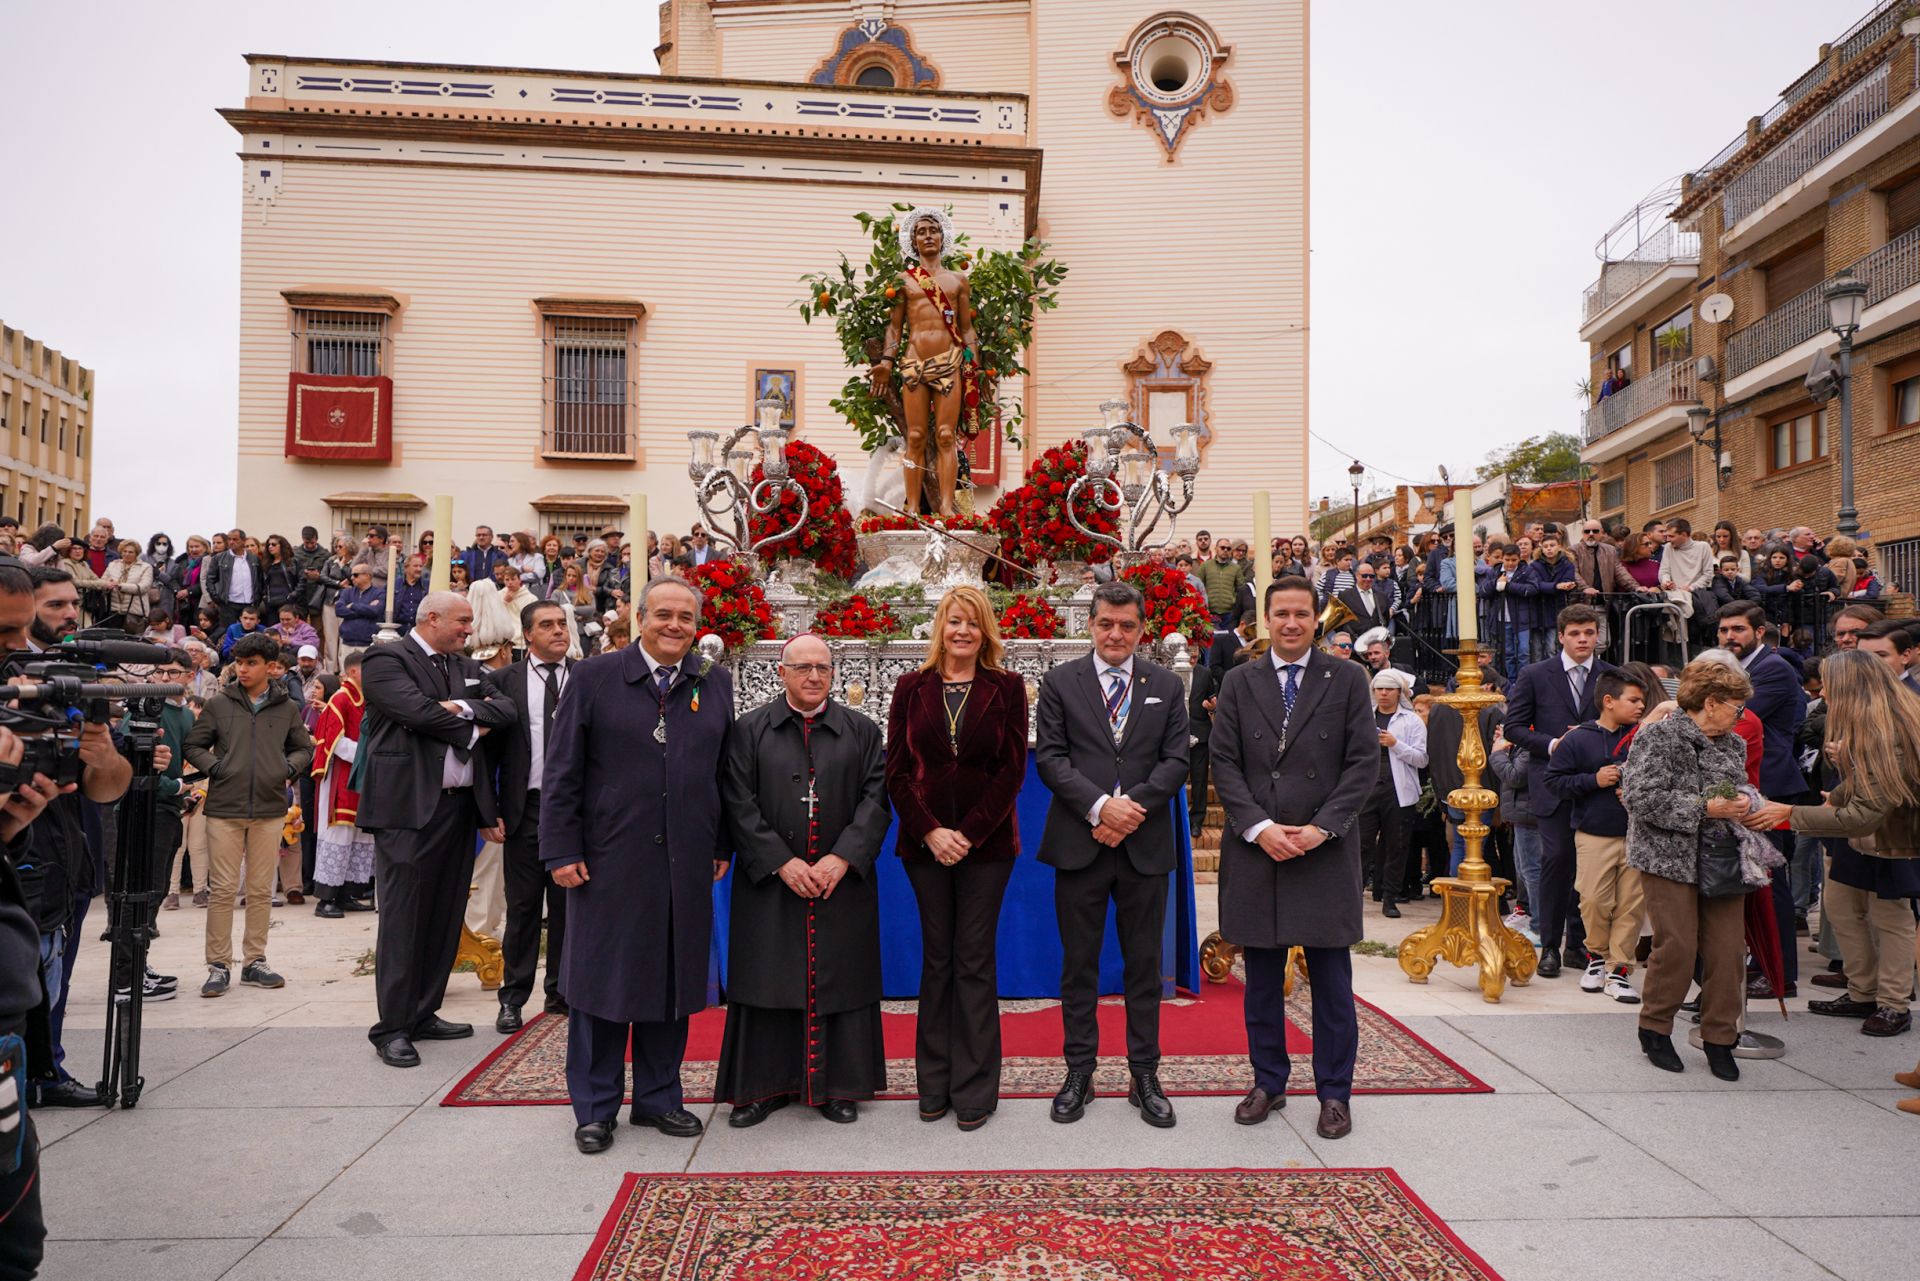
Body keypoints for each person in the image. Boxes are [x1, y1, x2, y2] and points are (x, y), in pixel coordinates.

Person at [541, 576, 734, 1154]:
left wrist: (720, 843)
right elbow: (562, 770)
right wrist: (561, 849)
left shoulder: (713, 681)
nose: (674, 625)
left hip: (686, 860)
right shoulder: (595, 677)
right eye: (663, 615)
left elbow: (724, 773)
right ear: (640, 619)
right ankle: (596, 1108)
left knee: (671, 982)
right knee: (602, 985)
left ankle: (659, 1098)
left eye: (685, 616)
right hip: (606, 861)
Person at [1212, 576, 1377, 1140]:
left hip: (1322, 851)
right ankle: (1268, 1082)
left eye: (1301, 614)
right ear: (1266, 619)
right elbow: (1224, 764)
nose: (1290, 623)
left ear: (1316, 620)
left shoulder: (1349, 677)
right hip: (1258, 849)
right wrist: (1259, 828)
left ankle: (1335, 1093)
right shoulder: (1238, 681)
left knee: (1332, 983)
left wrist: (1319, 830)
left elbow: (1361, 765)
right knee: (1260, 981)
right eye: (1280, 613)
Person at [1033, 581, 1191, 1129]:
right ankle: (1079, 1072)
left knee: (1144, 966)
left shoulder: (1167, 685)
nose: (1115, 634)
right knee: (1079, 965)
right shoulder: (1059, 682)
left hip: (1144, 847)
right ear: (1091, 624)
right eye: (1106, 624)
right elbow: (1051, 759)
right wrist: (1101, 809)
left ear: (1141, 629)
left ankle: (1144, 1074)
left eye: (1126, 625)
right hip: (1080, 845)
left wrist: (1129, 811)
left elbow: (1175, 761)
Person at [717, 634, 892, 1126]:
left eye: (823, 667)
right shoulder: (750, 730)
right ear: (782, 673)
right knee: (768, 975)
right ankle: (762, 1087)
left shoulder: (861, 730)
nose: (814, 676)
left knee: (841, 976)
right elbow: (737, 801)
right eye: (803, 668)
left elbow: (876, 801)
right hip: (772, 881)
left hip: (841, 881)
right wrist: (780, 861)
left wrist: (841, 859)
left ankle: (840, 1085)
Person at [885, 585, 1028, 1131]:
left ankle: (974, 1089)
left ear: (984, 631)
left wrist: (964, 834)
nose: (962, 631)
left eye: (972, 623)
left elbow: (1011, 771)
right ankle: (934, 1083)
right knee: (937, 960)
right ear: (939, 630)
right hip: (923, 848)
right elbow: (896, 770)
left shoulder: (1006, 687)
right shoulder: (910, 687)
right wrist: (930, 832)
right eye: (953, 622)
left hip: (986, 847)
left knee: (973, 960)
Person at [357, 591, 516, 1068]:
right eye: (463, 621)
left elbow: (505, 709)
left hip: (457, 809)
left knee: (445, 914)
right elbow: (415, 711)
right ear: (432, 618)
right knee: (405, 917)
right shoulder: (386, 657)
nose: (470, 629)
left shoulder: (463, 666)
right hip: (406, 809)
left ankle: (424, 1011)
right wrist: (469, 722)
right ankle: (393, 1026)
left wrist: (461, 709)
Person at [1746, 650, 1920, 1047]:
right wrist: (1843, 784)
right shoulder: (1871, 722)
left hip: (1893, 840)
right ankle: (1862, 993)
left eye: (1829, 683)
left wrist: (1790, 813)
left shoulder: (1888, 729)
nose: (1822, 690)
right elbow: (1872, 785)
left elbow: (1866, 812)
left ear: (1850, 686)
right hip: (1860, 838)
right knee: (1843, 909)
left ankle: (1893, 1002)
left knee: (1890, 917)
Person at [1620, 658, 1754, 1081]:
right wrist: (1704, 808)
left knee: (1728, 953)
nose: (1740, 716)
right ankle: (1655, 1028)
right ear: (1711, 703)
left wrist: (1747, 802)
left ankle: (1719, 1038)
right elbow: (1641, 798)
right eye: (1736, 707)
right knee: (1676, 946)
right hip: (1667, 859)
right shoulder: (1659, 737)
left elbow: (1740, 787)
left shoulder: (1734, 744)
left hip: (1721, 858)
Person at [181, 631, 313, 997]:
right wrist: (218, 768)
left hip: (270, 809)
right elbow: (193, 744)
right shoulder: (219, 704)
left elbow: (304, 748)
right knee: (223, 890)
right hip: (224, 808)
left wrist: (287, 769)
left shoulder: (287, 708)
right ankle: (219, 966)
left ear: (271, 668)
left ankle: (255, 962)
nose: (243, 669)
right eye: (239, 662)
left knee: (259, 890)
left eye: (251, 663)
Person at [1504, 604, 1614, 978]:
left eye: (1589, 632)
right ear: (1561, 636)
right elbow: (1514, 727)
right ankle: (1549, 945)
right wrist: (1553, 744)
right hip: (1551, 784)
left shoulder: (1610, 676)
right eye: (1575, 633)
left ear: (1597, 635)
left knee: (1593, 872)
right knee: (1556, 863)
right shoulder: (1536, 674)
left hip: (1598, 788)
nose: (1583, 639)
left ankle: (1581, 948)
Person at [481, 600, 575, 1031]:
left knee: (568, 907)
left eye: (562, 624)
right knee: (522, 908)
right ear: (528, 636)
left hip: (576, 813)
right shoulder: (502, 681)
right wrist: (488, 809)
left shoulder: (588, 678)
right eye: (548, 625)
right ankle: (513, 997)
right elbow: (484, 754)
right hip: (526, 809)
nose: (558, 631)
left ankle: (562, 992)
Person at [1715, 601, 1807, 998]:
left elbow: (1726, 717)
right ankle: (1762, 963)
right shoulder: (1738, 670)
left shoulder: (1772, 670)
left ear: (1759, 632)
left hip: (1772, 790)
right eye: (1723, 630)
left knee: (1772, 884)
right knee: (1755, 884)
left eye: (1737, 629)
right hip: (1745, 791)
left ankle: (1779, 973)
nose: (1729, 637)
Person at [1544, 668, 1647, 1001]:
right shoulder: (1578, 738)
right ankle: (1596, 957)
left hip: (1637, 835)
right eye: (1633, 700)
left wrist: (1634, 788)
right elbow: (1554, 782)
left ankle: (1619, 970)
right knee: (1593, 901)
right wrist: (1593, 780)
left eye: (1643, 700)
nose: (1640, 706)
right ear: (1608, 701)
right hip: (1594, 834)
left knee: (1631, 906)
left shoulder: (1644, 737)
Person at [308, 650, 377, 918]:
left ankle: (348, 893)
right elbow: (333, 740)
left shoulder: (367, 699)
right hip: (342, 777)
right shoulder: (340, 698)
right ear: (352, 672)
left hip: (362, 777)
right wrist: (367, 755)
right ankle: (325, 899)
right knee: (339, 836)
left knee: (360, 836)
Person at [1358, 669, 1426, 919]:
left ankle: (1390, 898)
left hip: (1398, 791)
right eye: (1380, 689)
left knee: (1397, 845)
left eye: (1389, 689)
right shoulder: (1363, 718)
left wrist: (1396, 744)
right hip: (1366, 790)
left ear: (1399, 692)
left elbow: (1421, 758)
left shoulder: (1411, 721)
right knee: (1361, 845)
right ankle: (1355, 897)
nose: (1384, 694)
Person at [203, 527, 264, 631]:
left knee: (249, 632)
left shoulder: (254, 558)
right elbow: (210, 580)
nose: (231, 542)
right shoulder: (219, 558)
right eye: (229, 539)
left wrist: (258, 598)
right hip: (228, 603)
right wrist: (216, 598)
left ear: (243, 541)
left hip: (249, 602)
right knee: (227, 632)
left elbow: (260, 580)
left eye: (235, 539)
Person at [334, 564, 385, 658]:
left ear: (367, 576)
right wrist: (366, 609)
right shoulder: (347, 592)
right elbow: (339, 610)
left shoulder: (379, 593)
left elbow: (375, 611)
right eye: (351, 575)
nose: (352, 578)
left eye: (356, 575)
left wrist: (352, 605)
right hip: (347, 644)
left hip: (368, 645)